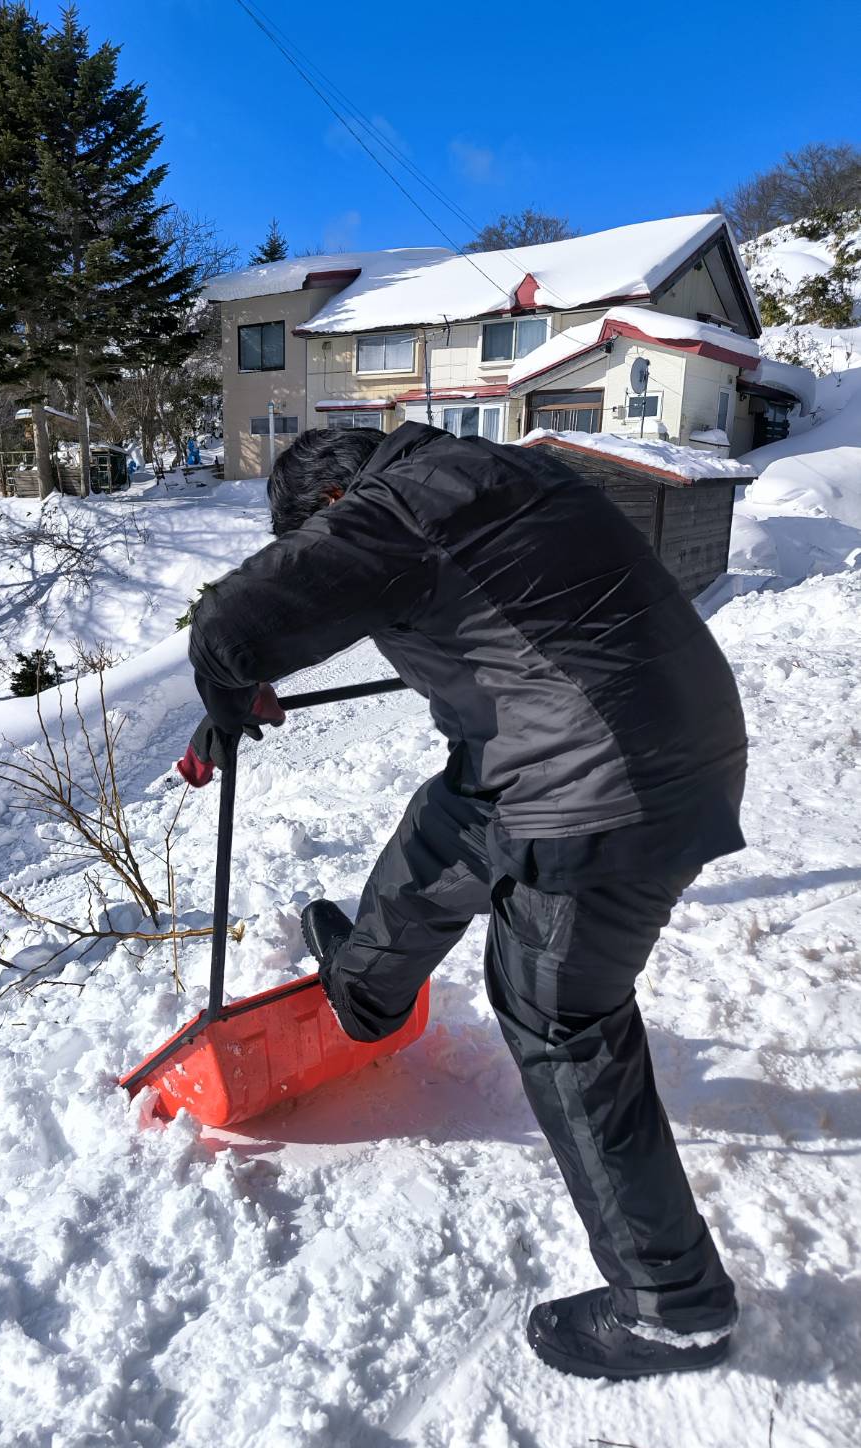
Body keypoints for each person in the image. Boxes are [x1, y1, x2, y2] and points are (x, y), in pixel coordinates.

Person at [177, 422, 745, 1380]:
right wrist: (236, 694)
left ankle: (672, 1306)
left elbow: (228, 624)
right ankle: (366, 990)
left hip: (608, 779)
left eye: (317, 534)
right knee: (448, 824)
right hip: (631, 735)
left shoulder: (397, 507)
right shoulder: (483, 473)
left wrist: (227, 682)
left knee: (556, 1010)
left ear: (333, 504)